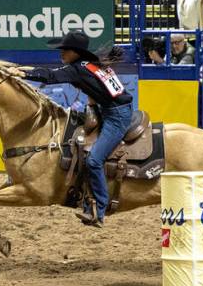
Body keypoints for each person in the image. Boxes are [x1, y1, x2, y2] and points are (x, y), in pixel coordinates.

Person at [13, 31, 133, 227]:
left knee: (94, 160)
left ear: (76, 52)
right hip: (113, 109)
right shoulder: (91, 66)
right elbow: (102, 90)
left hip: (116, 115)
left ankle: (99, 209)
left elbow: (51, 76)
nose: (61, 54)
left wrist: (24, 72)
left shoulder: (78, 69)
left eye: (65, 50)